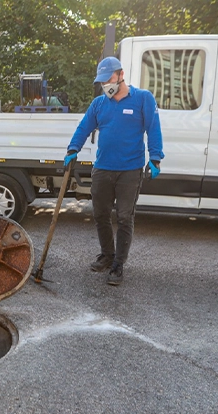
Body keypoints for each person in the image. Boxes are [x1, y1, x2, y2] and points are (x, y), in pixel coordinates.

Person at [65, 57, 164, 286]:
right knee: (100, 214)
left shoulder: (142, 99)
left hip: (130, 170)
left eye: (108, 79)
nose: (105, 85)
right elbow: (84, 127)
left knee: (124, 217)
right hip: (102, 168)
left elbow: (153, 129)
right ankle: (107, 255)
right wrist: (73, 148)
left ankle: (119, 263)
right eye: (102, 82)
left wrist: (155, 158)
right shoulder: (99, 104)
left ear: (120, 74)